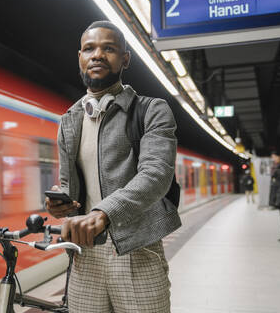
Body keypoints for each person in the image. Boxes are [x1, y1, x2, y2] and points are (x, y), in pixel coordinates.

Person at [45, 21, 180, 313]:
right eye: (89, 48)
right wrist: (62, 204)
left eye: (109, 48)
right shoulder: (69, 120)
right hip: (85, 255)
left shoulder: (152, 110)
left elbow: (156, 175)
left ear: (125, 58)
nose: (97, 55)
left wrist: (104, 212)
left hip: (137, 251)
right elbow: (71, 185)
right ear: (79, 57)